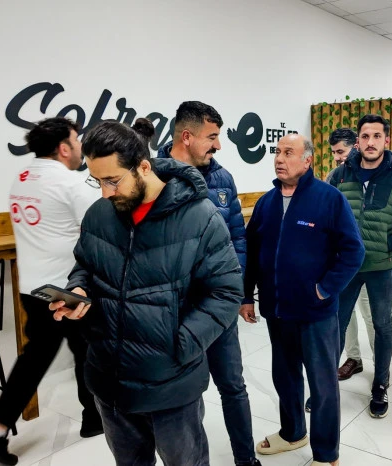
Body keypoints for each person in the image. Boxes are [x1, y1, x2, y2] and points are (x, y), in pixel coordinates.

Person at [50, 121, 244, 466]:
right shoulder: (100, 214)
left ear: (143, 167)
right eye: (97, 181)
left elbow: (226, 292)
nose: (105, 192)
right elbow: (85, 265)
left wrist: (181, 344)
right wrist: (77, 288)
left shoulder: (200, 218)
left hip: (170, 385)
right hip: (109, 381)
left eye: (113, 180)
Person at [0, 118, 102, 466]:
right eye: (77, 141)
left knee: (42, 355)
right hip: (66, 289)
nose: (80, 147)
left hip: (31, 286)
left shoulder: (22, 179)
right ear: (64, 148)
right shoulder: (70, 183)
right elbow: (97, 228)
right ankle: (93, 418)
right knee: (86, 351)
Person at [240, 134, 364, 466]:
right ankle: (293, 433)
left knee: (322, 385)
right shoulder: (266, 203)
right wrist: (247, 296)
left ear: (307, 160)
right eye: (277, 152)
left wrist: (325, 289)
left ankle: (326, 454)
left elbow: (354, 251)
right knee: (285, 377)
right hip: (277, 311)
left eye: (288, 153)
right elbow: (252, 253)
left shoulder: (329, 199)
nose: (279, 159)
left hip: (315, 313)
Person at [157, 101, 258, 466]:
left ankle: (246, 459)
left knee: (233, 387)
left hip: (219, 308)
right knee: (186, 396)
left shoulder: (222, 179)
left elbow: (238, 238)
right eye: (212, 137)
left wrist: (236, 291)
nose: (218, 145)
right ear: (187, 136)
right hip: (177, 315)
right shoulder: (152, 178)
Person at [329, 114, 392, 418]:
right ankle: (325, 386)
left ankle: (380, 384)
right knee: (335, 325)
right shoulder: (340, 174)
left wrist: (391, 242)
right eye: (365, 136)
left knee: (382, 325)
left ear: (386, 140)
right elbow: (326, 215)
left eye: (376, 136)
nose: (370, 142)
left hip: (382, 266)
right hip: (346, 266)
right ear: (357, 141)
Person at [326, 128, 374, 383]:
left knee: (372, 315)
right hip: (342, 261)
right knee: (345, 314)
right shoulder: (334, 177)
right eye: (334, 152)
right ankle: (354, 358)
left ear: (355, 147)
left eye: (340, 152)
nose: (336, 157)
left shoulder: (377, 174)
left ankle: (381, 365)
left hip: (370, 261)